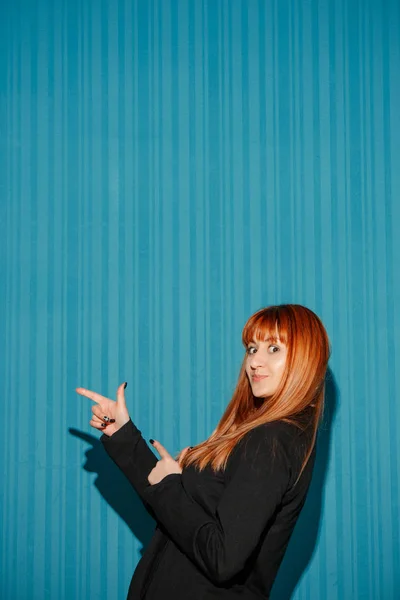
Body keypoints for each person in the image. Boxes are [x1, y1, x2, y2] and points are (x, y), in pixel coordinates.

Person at [76, 304, 330, 599]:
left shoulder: (270, 440)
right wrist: (123, 434)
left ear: (305, 358)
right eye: (252, 348)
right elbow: (181, 520)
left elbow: (222, 560)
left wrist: (171, 486)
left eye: (273, 349)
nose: (255, 362)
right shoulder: (262, 435)